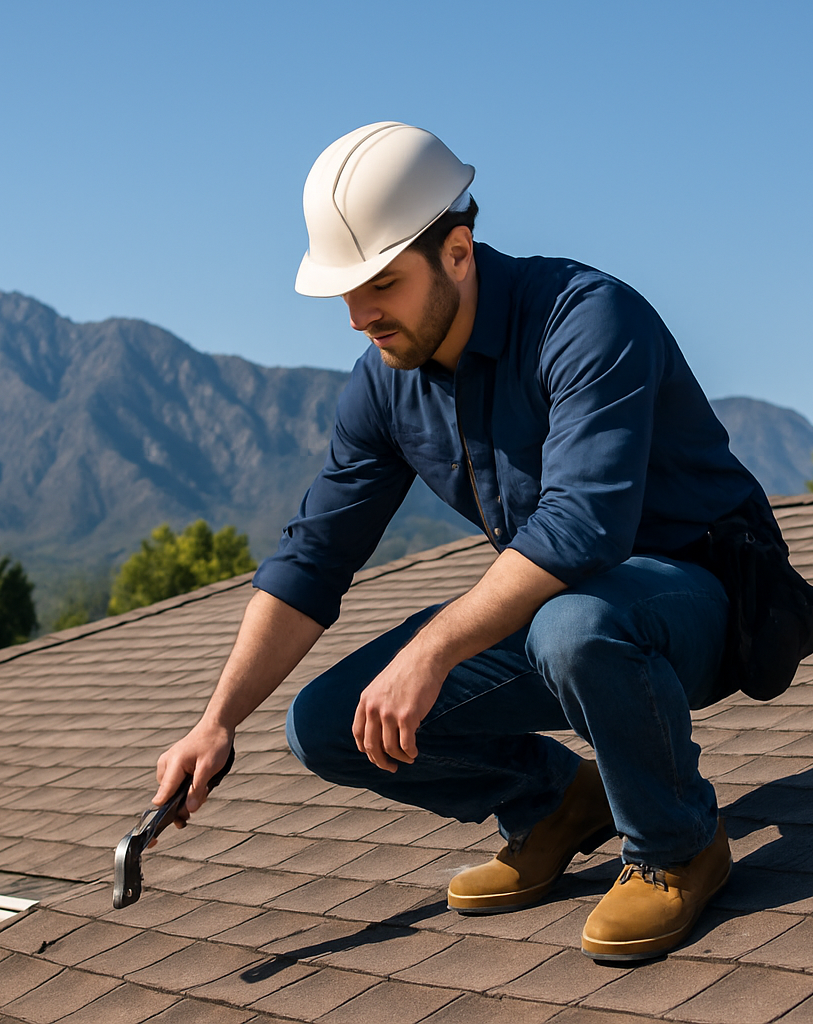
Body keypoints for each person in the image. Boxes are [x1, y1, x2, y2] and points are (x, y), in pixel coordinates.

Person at [152, 121, 768, 961]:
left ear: (458, 251)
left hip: (701, 601)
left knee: (574, 624)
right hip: (565, 613)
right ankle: (555, 804)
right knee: (328, 722)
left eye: (381, 282)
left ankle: (677, 845)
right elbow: (314, 557)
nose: (359, 313)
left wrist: (434, 648)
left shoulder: (587, 320)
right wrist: (215, 722)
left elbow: (583, 526)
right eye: (346, 288)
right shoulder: (385, 382)